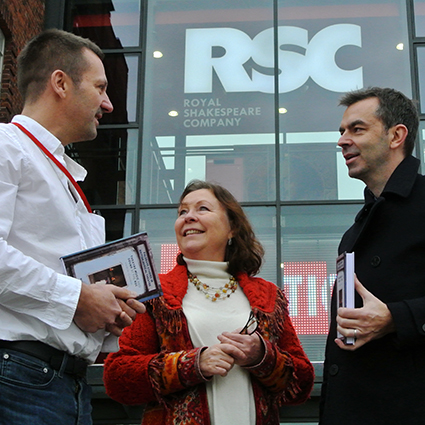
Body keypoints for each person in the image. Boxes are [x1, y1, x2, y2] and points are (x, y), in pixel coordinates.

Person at [0, 29, 145, 425]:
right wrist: (78, 299)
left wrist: (104, 310)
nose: (109, 104)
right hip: (20, 377)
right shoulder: (6, 146)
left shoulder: (56, 168)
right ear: (60, 83)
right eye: (100, 87)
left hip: (60, 382)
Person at [103, 180, 314, 425]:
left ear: (232, 228)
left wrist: (262, 357)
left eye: (202, 208)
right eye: (182, 211)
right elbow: (117, 378)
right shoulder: (154, 293)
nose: (189, 217)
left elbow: (302, 385)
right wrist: (191, 364)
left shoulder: (268, 295)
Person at [319, 87, 425, 424]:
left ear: (396, 135)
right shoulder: (356, 229)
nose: (342, 141)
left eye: (357, 129)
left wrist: (396, 317)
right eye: (342, 131)